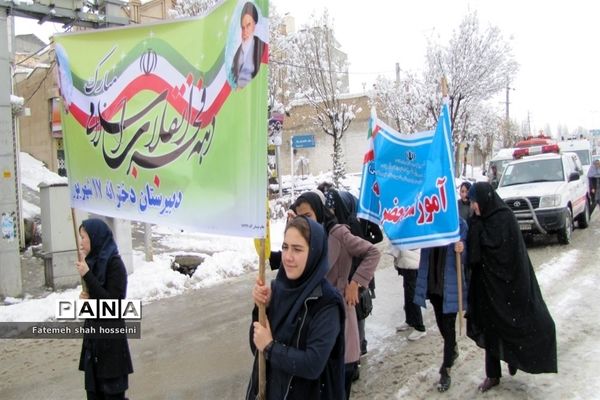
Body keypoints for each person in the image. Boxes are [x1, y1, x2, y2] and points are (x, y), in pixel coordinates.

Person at [466, 182, 557, 392]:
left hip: (510, 286)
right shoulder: (478, 222)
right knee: (490, 329)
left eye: (474, 201)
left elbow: (515, 255)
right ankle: (492, 375)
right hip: (487, 288)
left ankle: (513, 357)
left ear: (485, 199)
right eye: (471, 202)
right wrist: (474, 231)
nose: (472, 206)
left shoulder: (506, 218)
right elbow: (475, 258)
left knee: (515, 325)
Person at [292, 191, 381, 398]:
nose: (304, 222)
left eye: (308, 216)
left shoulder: (338, 234)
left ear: (319, 213)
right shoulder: (305, 239)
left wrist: (356, 283)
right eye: (300, 217)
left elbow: (372, 252)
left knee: (340, 385)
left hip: (340, 313)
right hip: (314, 323)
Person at [246, 216, 346, 400]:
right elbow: (256, 348)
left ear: (314, 253)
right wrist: (261, 308)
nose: (288, 257)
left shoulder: (326, 302)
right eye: (285, 247)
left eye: (297, 249)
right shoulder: (277, 290)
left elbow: (313, 364)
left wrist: (270, 347)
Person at [75, 218, 133, 400]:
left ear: (95, 238)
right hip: (94, 350)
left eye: (84, 237)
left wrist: (88, 276)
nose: (81, 242)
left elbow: (113, 306)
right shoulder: (93, 264)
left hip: (111, 352)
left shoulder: (115, 265)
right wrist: (87, 302)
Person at [413, 218, 468, 392]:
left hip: (449, 286)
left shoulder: (458, 224)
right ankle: (452, 349)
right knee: (442, 326)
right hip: (434, 284)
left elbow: (468, 253)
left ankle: (446, 369)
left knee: (449, 326)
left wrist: (462, 248)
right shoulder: (429, 223)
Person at [391, 247, 427, 341]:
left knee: (412, 294)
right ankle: (410, 320)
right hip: (406, 260)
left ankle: (420, 327)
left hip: (412, 261)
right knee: (407, 291)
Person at [231, 2, 265, 89]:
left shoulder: (262, 47)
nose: (245, 31)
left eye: (248, 25)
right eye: (243, 27)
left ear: (254, 24)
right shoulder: (237, 54)